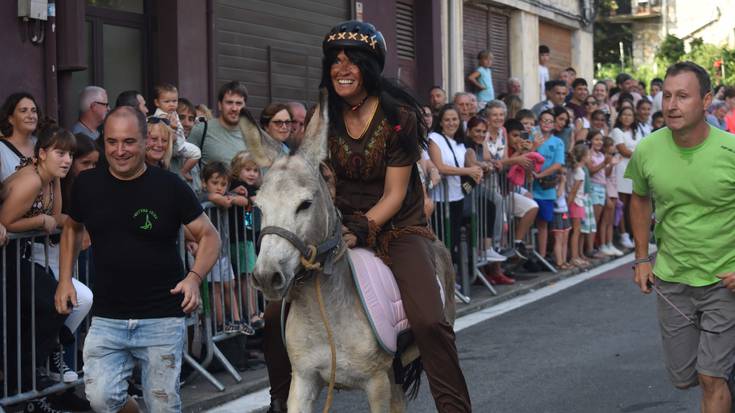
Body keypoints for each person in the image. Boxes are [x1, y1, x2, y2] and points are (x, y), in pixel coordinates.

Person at [263, 21, 472, 413]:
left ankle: (455, 408)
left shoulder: (400, 116)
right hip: (338, 224)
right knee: (275, 310)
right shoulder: (321, 115)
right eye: (335, 61)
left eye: (351, 61)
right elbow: (312, 172)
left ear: (369, 65)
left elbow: (394, 194)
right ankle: (278, 398)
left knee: (429, 321)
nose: (341, 68)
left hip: (398, 227)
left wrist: (358, 228)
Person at [54, 106, 221, 413]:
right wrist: (65, 279)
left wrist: (194, 278)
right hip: (108, 318)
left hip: (162, 317)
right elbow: (72, 228)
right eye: (112, 142)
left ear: (145, 142)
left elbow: (210, 236)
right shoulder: (88, 185)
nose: (120, 150)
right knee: (102, 400)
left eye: (129, 142)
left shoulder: (170, 187)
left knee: (162, 405)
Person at [627, 61, 735, 413]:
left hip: (724, 281)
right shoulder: (648, 149)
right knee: (684, 376)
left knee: (711, 377)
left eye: (683, 97)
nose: (672, 105)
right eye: (667, 96)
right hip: (672, 279)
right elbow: (640, 199)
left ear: (705, 102)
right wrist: (642, 258)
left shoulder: (730, 151)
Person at [0, 126, 71, 410]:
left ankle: (27, 379)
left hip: (19, 259)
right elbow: (5, 222)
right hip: (7, 259)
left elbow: (55, 216)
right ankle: (27, 376)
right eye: (60, 153)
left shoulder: (49, 178)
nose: (67, 160)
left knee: (43, 310)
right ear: (42, 153)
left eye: (70, 154)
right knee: (55, 302)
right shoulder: (30, 181)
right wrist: (37, 222)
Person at [198, 161, 250, 333]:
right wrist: (225, 197)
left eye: (223, 184)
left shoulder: (225, 194)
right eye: (215, 183)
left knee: (230, 285)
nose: (219, 188)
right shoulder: (202, 196)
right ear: (204, 183)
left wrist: (233, 196)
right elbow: (214, 198)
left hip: (224, 251)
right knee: (216, 288)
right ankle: (221, 322)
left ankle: (237, 320)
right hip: (209, 252)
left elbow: (244, 201)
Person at [429, 104, 483, 264]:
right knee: (441, 242)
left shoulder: (459, 142)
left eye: (454, 119)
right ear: (440, 122)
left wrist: (478, 168)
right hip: (440, 199)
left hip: (457, 197)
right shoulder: (434, 139)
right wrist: (469, 171)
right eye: (447, 120)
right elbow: (440, 167)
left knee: (453, 241)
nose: (451, 123)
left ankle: (451, 280)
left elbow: (468, 163)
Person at [531, 110, 565, 263]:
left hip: (546, 188)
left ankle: (542, 256)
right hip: (529, 187)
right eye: (544, 120)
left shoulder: (558, 142)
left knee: (543, 223)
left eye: (550, 121)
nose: (546, 124)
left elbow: (558, 164)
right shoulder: (533, 137)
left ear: (554, 125)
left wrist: (540, 175)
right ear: (539, 122)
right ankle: (528, 255)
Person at [188, 81, 249, 165]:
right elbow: (186, 166)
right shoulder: (201, 130)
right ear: (220, 105)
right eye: (229, 102)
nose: (234, 108)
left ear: (244, 107)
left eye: (239, 103)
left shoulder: (255, 135)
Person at [152, 84, 202, 181]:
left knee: (196, 152)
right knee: (165, 164)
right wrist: (172, 128)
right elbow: (160, 133)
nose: (171, 104)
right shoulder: (161, 115)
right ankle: (182, 172)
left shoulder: (172, 112)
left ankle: (183, 171)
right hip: (171, 148)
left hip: (180, 145)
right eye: (167, 101)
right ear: (157, 103)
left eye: (174, 101)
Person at [611, 106, 642, 249]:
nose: (627, 117)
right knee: (622, 204)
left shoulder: (637, 131)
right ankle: (623, 234)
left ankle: (633, 234)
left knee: (633, 205)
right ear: (619, 116)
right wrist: (640, 155)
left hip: (636, 169)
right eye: (624, 114)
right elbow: (623, 150)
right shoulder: (617, 131)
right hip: (622, 169)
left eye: (630, 115)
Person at [0, 92, 40, 181]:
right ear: (10, 119)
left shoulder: (42, 144)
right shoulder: (2, 150)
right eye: (23, 111)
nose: (31, 116)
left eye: (34, 111)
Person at [598, 136, 623, 257]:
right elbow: (606, 175)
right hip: (607, 189)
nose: (614, 147)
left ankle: (610, 243)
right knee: (605, 220)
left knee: (610, 220)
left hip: (613, 189)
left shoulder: (612, 158)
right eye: (611, 145)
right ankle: (603, 245)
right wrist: (611, 164)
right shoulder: (604, 159)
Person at [567, 143, 590, 268]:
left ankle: (575, 256)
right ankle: (574, 257)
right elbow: (573, 191)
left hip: (574, 202)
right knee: (576, 231)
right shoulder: (580, 172)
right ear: (584, 157)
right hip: (576, 203)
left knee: (575, 231)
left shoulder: (573, 169)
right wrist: (568, 205)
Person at [552, 165, 571, 269]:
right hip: (557, 213)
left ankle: (564, 260)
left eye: (564, 174)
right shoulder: (554, 185)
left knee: (565, 237)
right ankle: (559, 262)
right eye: (560, 174)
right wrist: (562, 182)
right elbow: (558, 195)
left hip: (564, 211)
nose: (562, 176)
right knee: (558, 238)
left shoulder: (564, 185)